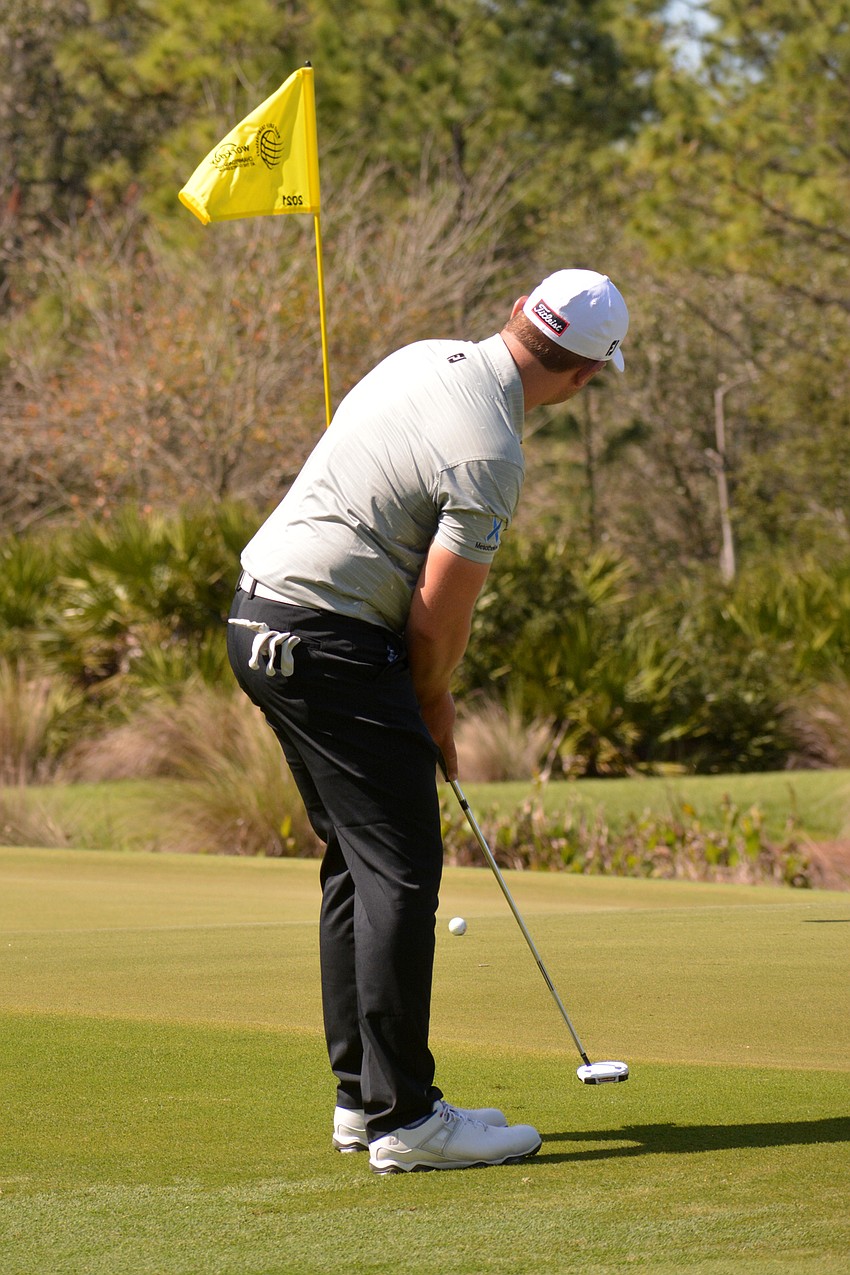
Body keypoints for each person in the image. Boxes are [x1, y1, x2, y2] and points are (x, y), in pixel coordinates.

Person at [226, 268, 629, 1174]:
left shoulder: (424, 357)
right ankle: (406, 1119)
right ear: (584, 376)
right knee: (403, 873)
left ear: (516, 315)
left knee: (360, 866)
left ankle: (362, 1098)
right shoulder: (491, 452)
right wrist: (435, 702)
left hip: (256, 621)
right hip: (327, 641)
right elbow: (439, 617)